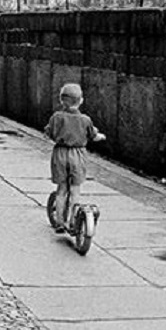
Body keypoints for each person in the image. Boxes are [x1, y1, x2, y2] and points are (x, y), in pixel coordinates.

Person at [44, 83, 105, 232]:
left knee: (62, 188)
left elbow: (49, 132)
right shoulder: (85, 120)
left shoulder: (56, 117)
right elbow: (93, 135)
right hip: (77, 154)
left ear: (61, 100)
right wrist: (100, 136)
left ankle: (59, 222)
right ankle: (73, 222)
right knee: (75, 189)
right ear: (81, 101)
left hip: (60, 153)